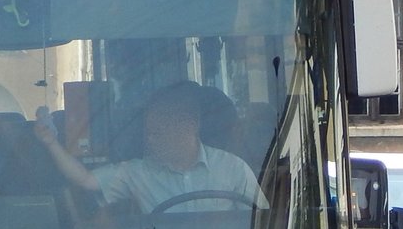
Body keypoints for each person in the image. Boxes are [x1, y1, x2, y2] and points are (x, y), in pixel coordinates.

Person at [35, 80, 267, 213]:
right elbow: (85, 180)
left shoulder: (233, 168)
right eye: (149, 133)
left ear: (191, 125)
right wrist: (51, 143)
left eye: (158, 132)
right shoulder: (137, 172)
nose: (150, 140)